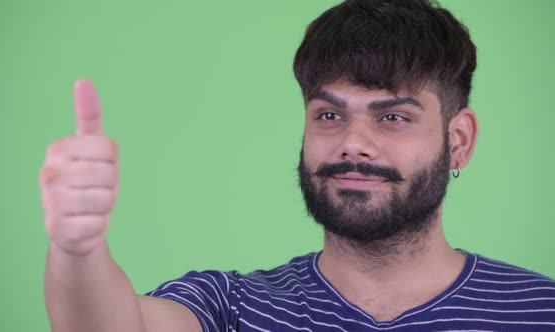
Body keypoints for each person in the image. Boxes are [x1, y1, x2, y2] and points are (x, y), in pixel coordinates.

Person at [40, 0, 555, 331]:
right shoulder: (231, 308)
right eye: (329, 115)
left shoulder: (540, 311)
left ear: (458, 140)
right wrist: (77, 247)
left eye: (393, 117)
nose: (354, 144)